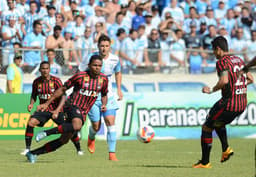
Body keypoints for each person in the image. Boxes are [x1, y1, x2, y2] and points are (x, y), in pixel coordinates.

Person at [26, 55, 108, 163]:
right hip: (72, 105)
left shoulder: (103, 80)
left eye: (99, 66)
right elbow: (62, 89)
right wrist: (47, 103)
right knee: (77, 125)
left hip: (84, 111)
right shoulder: (80, 76)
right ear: (89, 65)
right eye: (95, 65)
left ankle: (33, 153)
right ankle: (47, 132)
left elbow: (104, 94)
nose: (97, 67)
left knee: (63, 140)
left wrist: (104, 104)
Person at [193, 36, 254, 168]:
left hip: (229, 103)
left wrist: (211, 90)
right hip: (242, 103)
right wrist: (238, 86)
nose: (214, 53)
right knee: (218, 122)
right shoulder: (239, 59)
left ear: (219, 49)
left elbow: (224, 81)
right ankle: (226, 149)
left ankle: (205, 162)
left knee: (207, 127)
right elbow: (250, 79)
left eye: (214, 51)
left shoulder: (222, 62)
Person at [21, 61, 83, 156]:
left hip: (57, 110)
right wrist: (31, 104)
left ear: (49, 70)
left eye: (46, 69)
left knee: (68, 129)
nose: (45, 71)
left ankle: (79, 149)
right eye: (43, 69)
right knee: (30, 123)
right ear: (40, 70)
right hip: (44, 110)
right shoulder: (37, 82)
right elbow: (34, 94)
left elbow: (63, 96)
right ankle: (27, 148)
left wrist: (57, 110)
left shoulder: (56, 81)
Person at [79, 35, 123, 161]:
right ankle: (91, 136)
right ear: (98, 46)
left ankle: (112, 154)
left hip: (108, 96)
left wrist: (119, 89)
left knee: (110, 123)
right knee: (96, 126)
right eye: (102, 46)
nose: (104, 49)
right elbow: (80, 72)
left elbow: (118, 73)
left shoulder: (115, 59)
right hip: (92, 97)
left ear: (110, 46)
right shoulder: (90, 58)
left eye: (107, 46)